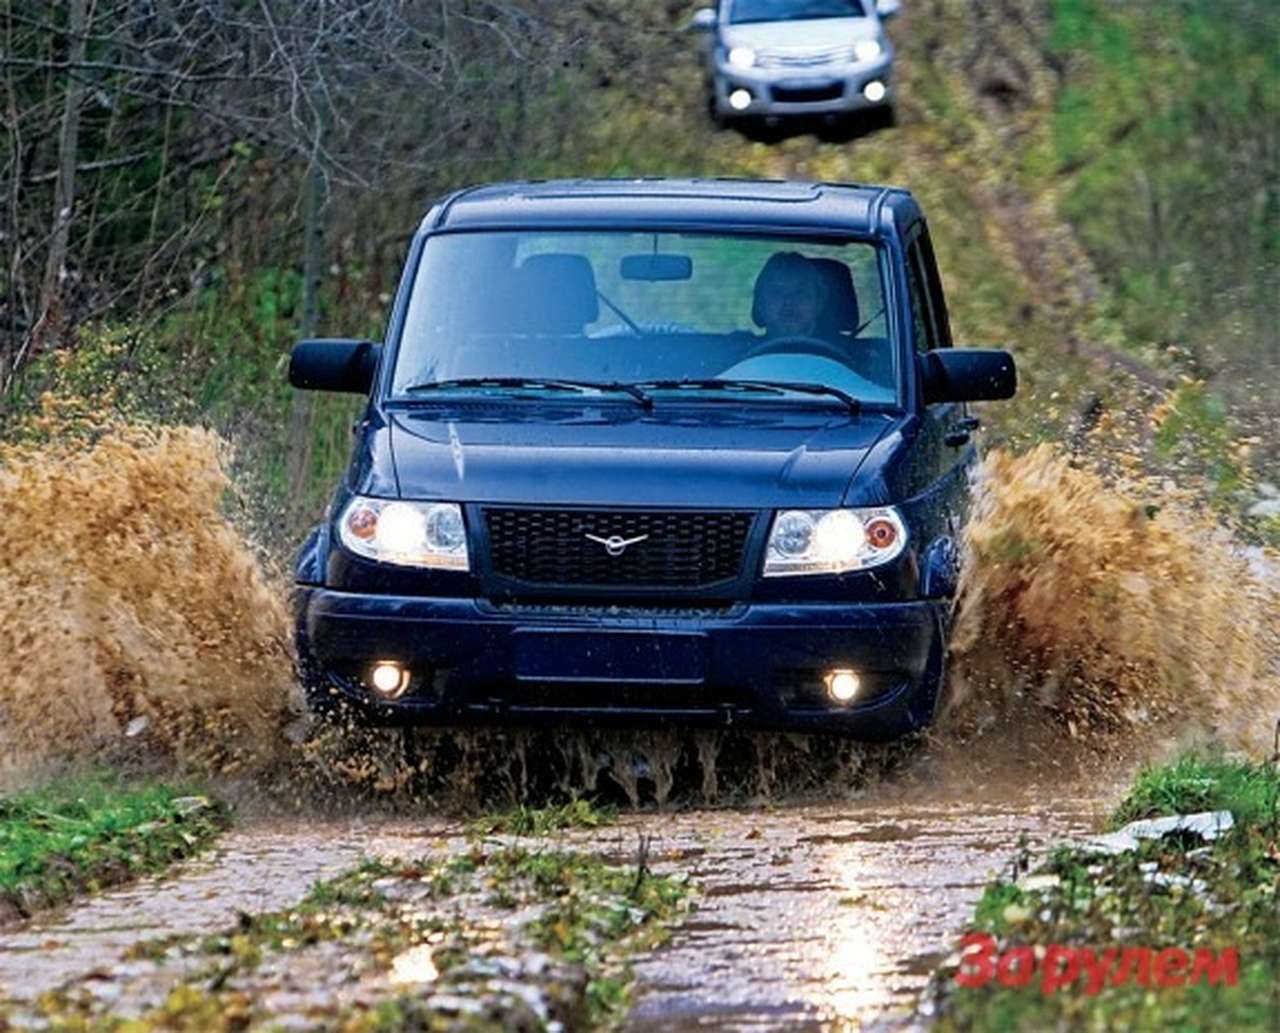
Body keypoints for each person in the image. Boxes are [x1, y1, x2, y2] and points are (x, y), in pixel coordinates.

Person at [750, 251, 828, 339]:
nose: (789, 301)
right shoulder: (740, 346)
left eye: (800, 292)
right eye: (777, 292)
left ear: (818, 304)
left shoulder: (840, 347)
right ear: (760, 304)